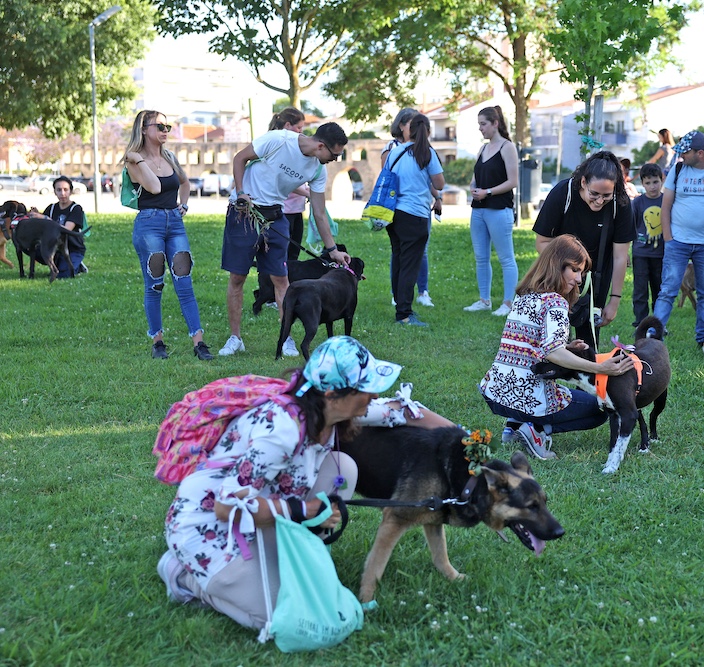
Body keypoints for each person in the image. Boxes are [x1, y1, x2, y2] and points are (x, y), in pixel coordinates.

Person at [157, 335, 453, 630]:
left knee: (343, 468)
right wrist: (303, 511)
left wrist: (464, 440)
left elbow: (399, 411)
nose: (374, 396)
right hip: (207, 525)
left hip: (259, 510)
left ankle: (296, 564)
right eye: (367, 388)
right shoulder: (282, 430)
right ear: (332, 393)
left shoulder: (332, 411)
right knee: (283, 619)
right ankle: (183, 576)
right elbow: (225, 507)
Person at [480, 235, 633, 460]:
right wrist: (599, 368)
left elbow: (530, 343)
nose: (579, 279)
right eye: (575, 270)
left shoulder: (524, 296)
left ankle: (514, 426)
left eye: (582, 273)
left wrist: (567, 345)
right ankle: (536, 431)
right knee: (599, 409)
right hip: (528, 398)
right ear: (556, 264)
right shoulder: (555, 302)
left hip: (494, 394)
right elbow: (553, 353)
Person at [219, 122, 350, 357]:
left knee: (281, 279)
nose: (335, 160)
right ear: (321, 146)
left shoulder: (318, 170)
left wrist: (332, 250)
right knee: (238, 277)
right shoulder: (279, 140)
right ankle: (235, 338)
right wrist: (241, 192)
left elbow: (319, 212)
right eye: (335, 155)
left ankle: (286, 338)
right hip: (244, 212)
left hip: (276, 216)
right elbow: (240, 158)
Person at [122, 110, 213, 361]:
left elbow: (184, 183)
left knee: (184, 282)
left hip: (174, 223)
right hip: (149, 223)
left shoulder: (170, 156)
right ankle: (158, 342)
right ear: (143, 129)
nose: (165, 130)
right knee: (155, 284)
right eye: (159, 126)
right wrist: (139, 160)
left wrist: (183, 205)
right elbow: (154, 187)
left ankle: (199, 342)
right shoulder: (133, 160)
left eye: (167, 126)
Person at [533, 150, 634, 351]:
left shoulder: (620, 203)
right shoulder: (563, 193)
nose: (599, 201)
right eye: (594, 194)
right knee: (553, 333)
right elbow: (542, 242)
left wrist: (614, 300)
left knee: (587, 339)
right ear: (583, 182)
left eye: (606, 196)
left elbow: (621, 256)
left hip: (598, 273)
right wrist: (566, 273)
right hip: (558, 271)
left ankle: (585, 380)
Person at [653, 130, 704, 344]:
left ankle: (703, 337)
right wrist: (669, 238)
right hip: (678, 242)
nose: (681, 156)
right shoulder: (678, 169)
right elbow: (666, 206)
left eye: (686, 152)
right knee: (668, 290)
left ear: (700, 153)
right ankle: (654, 336)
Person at [384, 114, 445, 327]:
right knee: (410, 266)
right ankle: (404, 314)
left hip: (393, 214)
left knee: (399, 261)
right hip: (415, 214)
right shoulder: (426, 153)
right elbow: (440, 183)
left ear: (409, 130)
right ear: (427, 131)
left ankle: (400, 307)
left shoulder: (396, 152)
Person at [465, 105, 519, 317]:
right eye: (479, 124)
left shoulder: (507, 147)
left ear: (495, 123)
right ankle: (484, 300)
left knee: (506, 258)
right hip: (478, 210)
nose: (480, 129)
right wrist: (473, 188)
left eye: (483, 124)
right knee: (481, 257)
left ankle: (508, 303)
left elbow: (513, 181)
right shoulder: (482, 149)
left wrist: (487, 192)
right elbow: (475, 177)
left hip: (499, 209)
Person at [268, 107, 310, 263]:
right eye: (298, 127)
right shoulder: (279, 146)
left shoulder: (294, 147)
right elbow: (284, 179)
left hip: (296, 209)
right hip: (284, 209)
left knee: (294, 253)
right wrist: (307, 192)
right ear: (287, 125)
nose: (301, 132)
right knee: (283, 253)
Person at [630, 163, 665, 327]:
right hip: (641, 254)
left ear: (662, 180)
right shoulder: (637, 203)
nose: (652, 187)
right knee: (640, 291)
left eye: (655, 182)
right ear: (642, 183)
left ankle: (658, 324)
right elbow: (630, 228)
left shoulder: (667, 201)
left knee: (659, 290)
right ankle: (640, 324)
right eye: (648, 183)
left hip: (662, 254)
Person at [41, 175, 87, 278]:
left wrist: (45, 219)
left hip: (72, 248)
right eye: (59, 190)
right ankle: (56, 262)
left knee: (64, 275)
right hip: (54, 247)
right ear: (54, 192)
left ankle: (78, 265)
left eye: (65, 190)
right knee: (27, 246)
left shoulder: (76, 209)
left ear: (70, 191)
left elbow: (66, 230)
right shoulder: (51, 208)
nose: (62, 193)